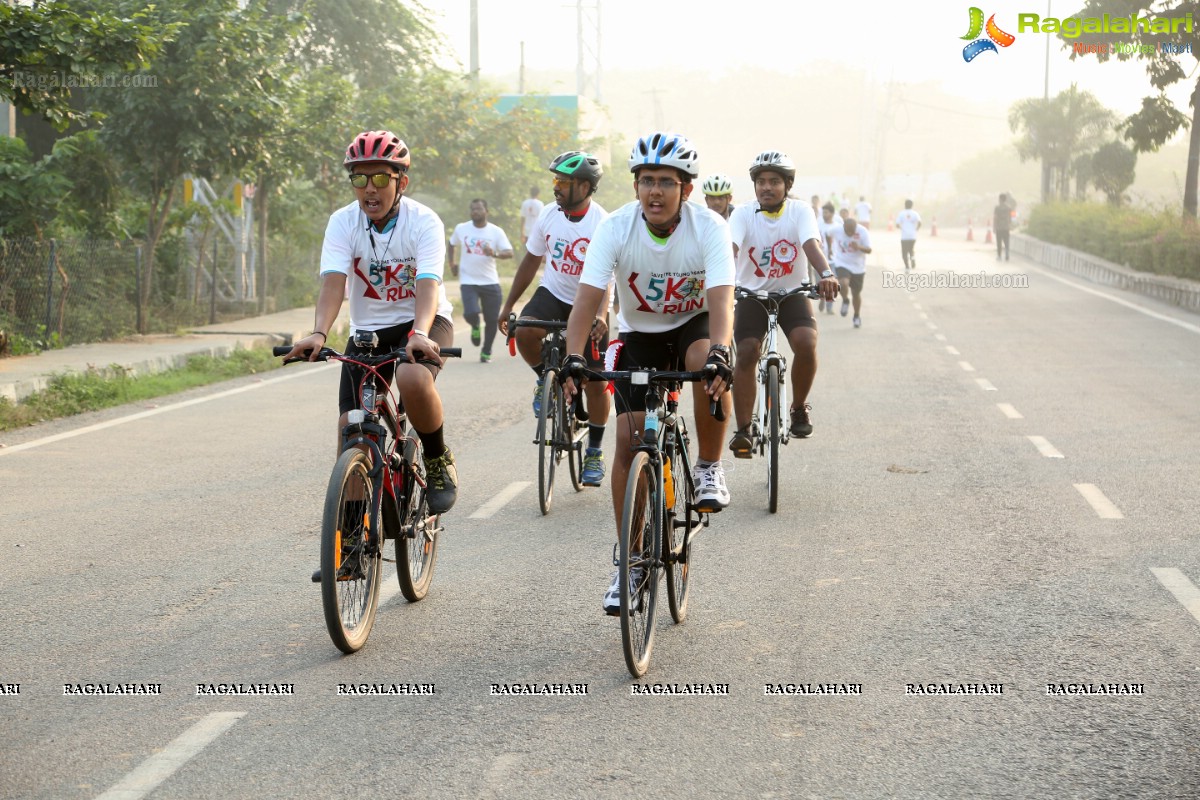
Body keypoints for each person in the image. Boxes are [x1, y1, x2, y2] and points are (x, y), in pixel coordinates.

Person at [560, 131, 734, 616]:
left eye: (666, 182)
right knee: (628, 441)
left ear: (687, 190)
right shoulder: (615, 228)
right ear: (635, 186)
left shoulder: (709, 229)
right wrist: (574, 355)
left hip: (693, 327)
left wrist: (722, 349)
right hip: (639, 335)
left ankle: (707, 467)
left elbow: (721, 300)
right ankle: (631, 561)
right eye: (646, 181)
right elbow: (587, 300)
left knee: (707, 361)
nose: (655, 191)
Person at [282, 130, 460, 583]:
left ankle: (438, 460)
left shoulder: (424, 222)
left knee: (414, 381)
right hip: (368, 333)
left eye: (380, 177)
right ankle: (354, 543)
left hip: (422, 322)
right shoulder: (343, 222)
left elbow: (428, 282)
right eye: (359, 180)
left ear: (402, 180)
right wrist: (319, 332)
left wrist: (420, 331)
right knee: (351, 429)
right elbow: (333, 282)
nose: (369, 189)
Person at [499, 151, 612, 486]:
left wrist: (603, 315)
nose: (556, 188)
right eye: (555, 181)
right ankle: (543, 380)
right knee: (524, 332)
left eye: (564, 182)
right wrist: (509, 305)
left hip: (589, 301)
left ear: (586, 187)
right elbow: (531, 262)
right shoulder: (548, 215)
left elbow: (607, 277)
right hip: (553, 294)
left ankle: (594, 450)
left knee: (596, 381)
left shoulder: (602, 223)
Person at [726, 150, 839, 456]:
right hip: (751, 296)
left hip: (793, 294)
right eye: (761, 181)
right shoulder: (742, 214)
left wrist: (826, 273)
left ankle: (799, 408)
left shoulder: (800, 211)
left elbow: (810, 244)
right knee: (747, 351)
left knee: (805, 342)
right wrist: (719, 283)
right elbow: (730, 249)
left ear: (787, 185)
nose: (766, 187)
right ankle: (744, 429)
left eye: (774, 181)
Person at [449, 199, 513, 362]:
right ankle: (475, 325)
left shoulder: (495, 232)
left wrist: (494, 254)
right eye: (473, 209)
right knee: (471, 312)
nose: (475, 212)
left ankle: (486, 351)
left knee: (492, 320)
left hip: (490, 281)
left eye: (478, 209)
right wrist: (452, 264)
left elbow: (509, 252)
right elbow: (451, 244)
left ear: (487, 211)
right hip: (468, 280)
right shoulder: (462, 228)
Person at [831, 216, 872, 328]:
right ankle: (845, 300)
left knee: (856, 293)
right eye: (847, 231)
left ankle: (857, 316)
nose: (849, 233)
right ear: (843, 227)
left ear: (856, 228)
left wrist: (859, 247)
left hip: (858, 267)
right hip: (842, 262)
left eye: (851, 231)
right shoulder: (837, 229)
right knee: (843, 283)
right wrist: (830, 248)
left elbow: (869, 250)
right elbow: (827, 235)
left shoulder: (863, 232)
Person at [896, 199, 922, 271]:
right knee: (911, 250)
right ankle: (912, 259)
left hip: (904, 236)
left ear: (905, 205)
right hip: (912, 236)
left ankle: (907, 265)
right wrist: (916, 229)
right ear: (912, 205)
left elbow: (897, 224)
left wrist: (902, 228)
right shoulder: (915, 213)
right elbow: (919, 222)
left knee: (904, 251)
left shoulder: (901, 213)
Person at [993, 193, 1011, 261]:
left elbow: (995, 217)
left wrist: (994, 227)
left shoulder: (997, 208)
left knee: (999, 242)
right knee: (1006, 242)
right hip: (1006, 227)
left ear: (1000, 199)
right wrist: (1011, 225)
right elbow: (1013, 216)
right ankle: (1007, 254)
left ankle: (999, 256)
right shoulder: (1009, 208)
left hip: (999, 228)